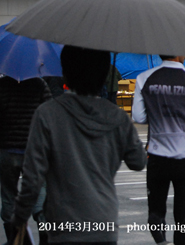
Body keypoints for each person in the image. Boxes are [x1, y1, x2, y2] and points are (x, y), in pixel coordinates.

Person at [11, 46, 146, 244]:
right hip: (104, 221)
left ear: (64, 74)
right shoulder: (116, 116)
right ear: (103, 75)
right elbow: (137, 161)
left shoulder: (48, 113)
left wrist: (19, 216)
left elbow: (33, 177)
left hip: (62, 224)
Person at [132, 55, 185, 245]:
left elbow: (139, 117)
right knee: (182, 215)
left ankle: (161, 241)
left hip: (157, 155)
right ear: (180, 54)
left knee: (155, 212)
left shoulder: (145, 78)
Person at [0, 76, 51, 245]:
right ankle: (44, 228)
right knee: (39, 192)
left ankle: (15, 238)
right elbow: (49, 113)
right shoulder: (39, 84)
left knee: (9, 196)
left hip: (7, 149)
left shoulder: (3, 85)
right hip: (34, 150)